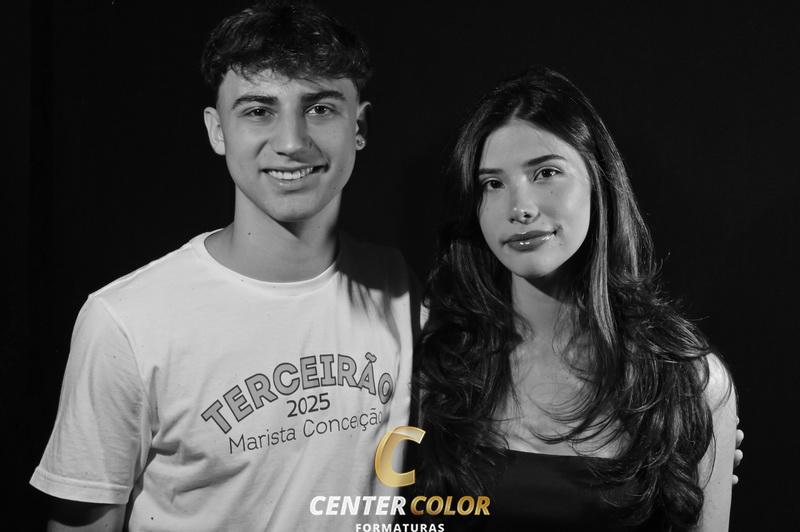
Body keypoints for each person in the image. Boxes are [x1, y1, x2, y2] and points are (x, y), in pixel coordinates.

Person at [30, 1, 415, 530]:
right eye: (258, 111)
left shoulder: (398, 287)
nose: (291, 143)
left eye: (321, 109)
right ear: (217, 131)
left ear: (360, 126)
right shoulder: (124, 322)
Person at [415, 67, 737, 530]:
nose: (520, 207)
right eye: (493, 184)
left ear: (597, 180)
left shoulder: (687, 381)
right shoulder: (436, 358)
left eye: (545, 173)